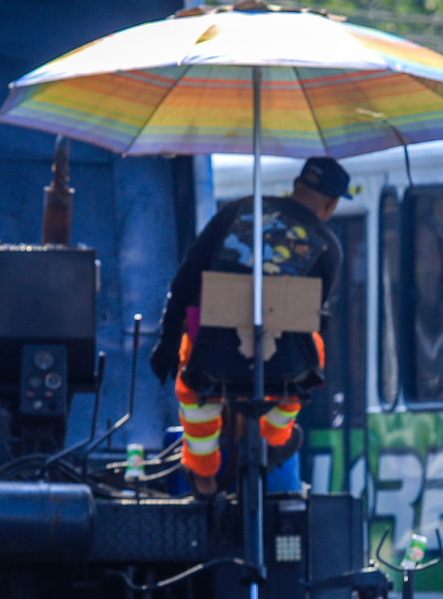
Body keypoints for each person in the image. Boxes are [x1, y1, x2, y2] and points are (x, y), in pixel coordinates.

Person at [148, 157, 348, 494]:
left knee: (192, 378)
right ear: (331, 204)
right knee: (314, 345)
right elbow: (312, 317)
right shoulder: (329, 247)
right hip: (284, 373)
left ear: (296, 186)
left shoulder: (237, 212)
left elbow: (185, 280)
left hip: (212, 361)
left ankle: (204, 475)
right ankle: (272, 438)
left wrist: (167, 343)